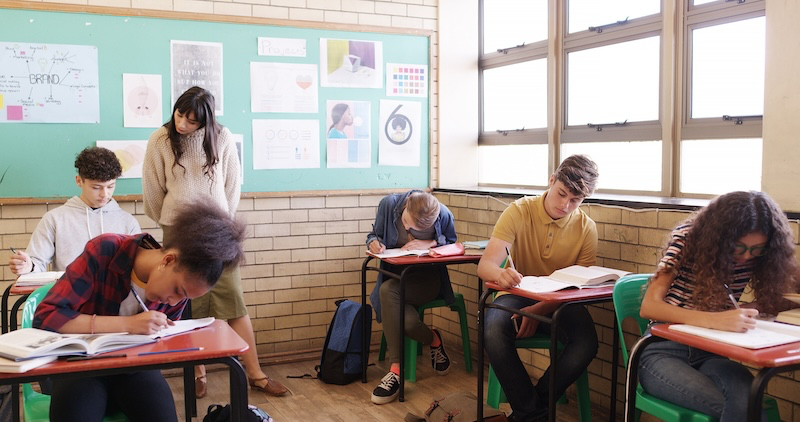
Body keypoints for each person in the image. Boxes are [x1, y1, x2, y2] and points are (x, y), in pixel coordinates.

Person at [33, 200, 246, 422]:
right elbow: (45, 317)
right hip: (80, 366)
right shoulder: (105, 251)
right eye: (177, 290)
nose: (174, 302)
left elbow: (162, 340)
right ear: (168, 260)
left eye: (185, 298)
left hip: (135, 369)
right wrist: (127, 325)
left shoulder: (178, 290)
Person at [142, 86, 288, 398]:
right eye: (180, 115)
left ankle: (255, 373)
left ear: (206, 121)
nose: (183, 124)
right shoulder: (160, 139)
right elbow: (152, 192)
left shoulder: (222, 137)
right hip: (178, 231)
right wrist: (172, 222)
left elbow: (232, 186)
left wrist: (219, 223)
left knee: (234, 300)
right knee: (186, 302)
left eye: (192, 121)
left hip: (217, 232)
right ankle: (199, 373)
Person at [638, 191, 798, 421]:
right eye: (738, 248)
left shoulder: (764, 254)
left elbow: (784, 290)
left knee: (748, 404)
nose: (746, 257)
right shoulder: (689, 237)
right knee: (748, 412)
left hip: (712, 353)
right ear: (722, 238)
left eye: (756, 250)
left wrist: (751, 310)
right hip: (663, 351)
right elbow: (649, 307)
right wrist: (716, 319)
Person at [477, 154, 600, 422]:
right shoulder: (519, 211)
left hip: (560, 301)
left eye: (575, 200)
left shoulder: (586, 228)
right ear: (551, 180)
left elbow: (580, 288)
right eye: (562, 194)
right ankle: (535, 414)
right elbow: (485, 265)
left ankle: (530, 412)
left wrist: (539, 309)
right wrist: (501, 274)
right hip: (516, 294)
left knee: (587, 342)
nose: (565, 205)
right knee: (493, 330)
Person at [366, 190, 457, 405]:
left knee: (387, 291)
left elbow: (452, 243)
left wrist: (431, 243)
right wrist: (374, 243)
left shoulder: (443, 214)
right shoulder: (389, 205)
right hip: (396, 277)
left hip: (427, 280)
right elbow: (372, 236)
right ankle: (433, 339)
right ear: (406, 205)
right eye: (406, 222)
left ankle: (395, 371)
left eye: (416, 229)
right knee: (404, 316)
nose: (407, 229)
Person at [8, 146, 140, 275]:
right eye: (96, 187)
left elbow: (138, 267)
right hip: (69, 289)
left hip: (114, 289)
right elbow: (37, 261)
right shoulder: (55, 219)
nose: (105, 194)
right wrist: (28, 266)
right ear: (79, 181)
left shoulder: (128, 222)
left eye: (110, 186)